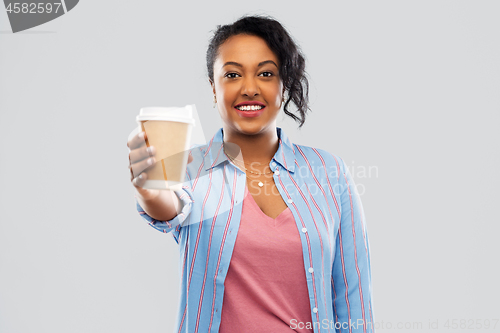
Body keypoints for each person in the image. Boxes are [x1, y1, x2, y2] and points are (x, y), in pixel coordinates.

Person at [127, 15, 374, 333]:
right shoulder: (190, 167)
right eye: (232, 74)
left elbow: (353, 297)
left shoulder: (329, 172)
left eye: (266, 73)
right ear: (213, 88)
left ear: (283, 86)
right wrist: (149, 190)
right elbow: (170, 206)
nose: (249, 88)